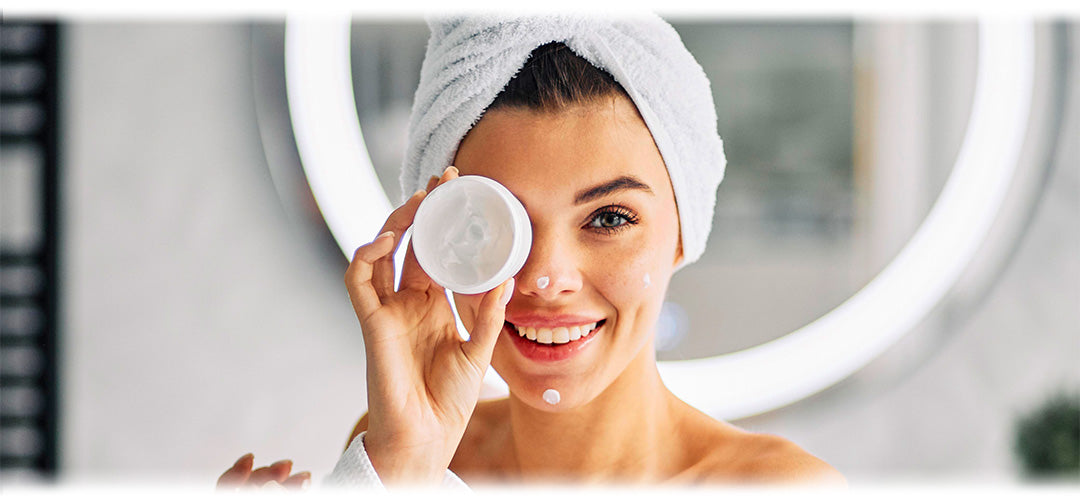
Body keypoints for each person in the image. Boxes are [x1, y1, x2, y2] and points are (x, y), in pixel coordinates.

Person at [218, 15, 845, 491]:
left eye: (608, 218)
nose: (545, 277)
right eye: (500, 222)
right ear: (437, 235)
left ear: (682, 230)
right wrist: (402, 464)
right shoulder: (405, 449)